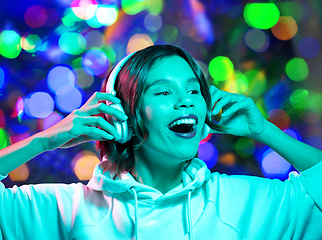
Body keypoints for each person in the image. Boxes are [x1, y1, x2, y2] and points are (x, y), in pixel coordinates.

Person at [0, 44, 321, 240]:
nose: (186, 102)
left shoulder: (242, 201)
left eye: (194, 91)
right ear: (121, 115)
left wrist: (264, 131)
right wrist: (44, 141)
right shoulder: (67, 209)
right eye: (165, 91)